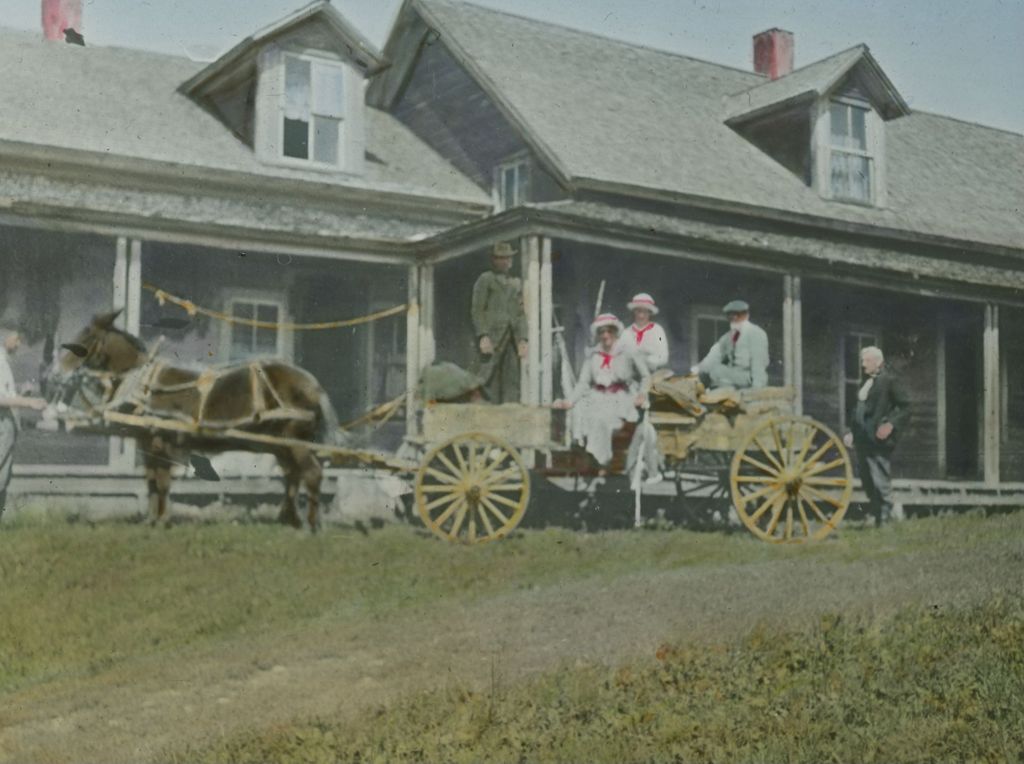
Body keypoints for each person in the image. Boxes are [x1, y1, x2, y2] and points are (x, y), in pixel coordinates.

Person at [553, 314, 650, 470]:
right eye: (601, 332)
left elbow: (646, 376)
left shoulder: (628, 352)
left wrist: (642, 394)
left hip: (620, 399)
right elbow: (583, 383)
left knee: (602, 419)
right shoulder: (593, 355)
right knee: (578, 413)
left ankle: (601, 460)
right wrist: (570, 401)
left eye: (609, 331)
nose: (605, 336)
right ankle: (586, 454)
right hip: (597, 396)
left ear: (615, 332)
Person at [842, 346, 910, 527]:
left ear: (878, 362)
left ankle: (886, 517)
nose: (863, 365)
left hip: (878, 439)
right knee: (867, 478)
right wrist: (851, 432)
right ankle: (876, 512)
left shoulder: (889, 380)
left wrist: (890, 425)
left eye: (867, 361)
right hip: (863, 439)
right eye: (863, 361)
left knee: (880, 478)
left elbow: (905, 407)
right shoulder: (866, 382)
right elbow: (859, 410)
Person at [471, 241, 528, 403]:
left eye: (509, 258)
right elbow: (477, 310)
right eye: (501, 258)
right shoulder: (486, 279)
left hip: (510, 338)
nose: (506, 261)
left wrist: (523, 338)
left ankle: (509, 414)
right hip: (492, 337)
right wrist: (483, 335)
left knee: (511, 378)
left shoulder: (516, 283)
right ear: (494, 260)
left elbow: (520, 313)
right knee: (485, 376)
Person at [621, 293, 668, 485]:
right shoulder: (626, 333)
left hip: (653, 377)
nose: (641, 315)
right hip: (631, 380)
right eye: (638, 311)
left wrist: (645, 358)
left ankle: (643, 464)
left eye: (644, 312)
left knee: (645, 423)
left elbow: (662, 357)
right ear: (634, 312)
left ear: (650, 313)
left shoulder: (657, 331)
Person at [0, 331, 47, 516]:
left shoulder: (4, 360)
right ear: (4, 337)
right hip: (1, 423)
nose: (19, 344)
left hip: (7, 424)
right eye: (17, 339)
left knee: (3, 476)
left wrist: (21, 391)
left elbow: (7, 393)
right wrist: (28, 402)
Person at [693, 300, 769, 389]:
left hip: (750, 377)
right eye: (731, 316)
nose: (735, 318)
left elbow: (758, 363)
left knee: (718, 371)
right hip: (734, 376)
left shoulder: (756, 333)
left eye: (739, 315)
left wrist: (757, 387)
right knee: (711, 373)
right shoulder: (727, 337)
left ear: (747, 315)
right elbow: (713, 357)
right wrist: (695, 370)